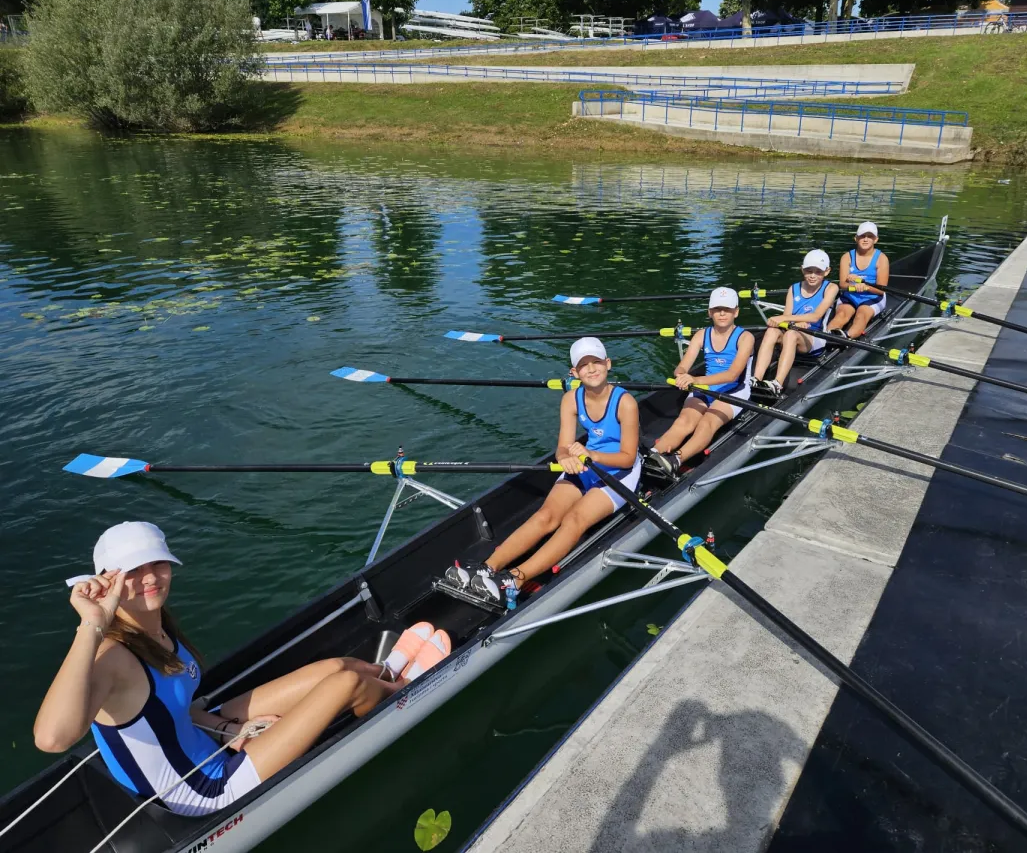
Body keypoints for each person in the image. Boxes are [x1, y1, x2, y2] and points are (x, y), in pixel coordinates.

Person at [34, 521, 448, 816]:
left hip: (203, 739)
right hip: (204, 791)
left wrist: (228, 730)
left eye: (157, 563)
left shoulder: (156, 627)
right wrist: (92, 623)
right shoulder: (110, 656)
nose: (150, 578)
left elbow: (173, 711)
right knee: (346, 685)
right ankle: (407, 692)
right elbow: (52, 738)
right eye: (133, 571)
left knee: (338, 666)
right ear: (106, 582)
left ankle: (388, 672)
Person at [445, 337, 641, 606]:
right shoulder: (571, 399)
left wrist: (591, 455)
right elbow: (562, 448)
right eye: (583, 365)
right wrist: (565, 459)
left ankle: (515, 579)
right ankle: (487, 567)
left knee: (574, 519)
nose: (591, 369)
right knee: (546, 516)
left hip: (619, 472)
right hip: (585, 463)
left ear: (608, 364)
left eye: (596, 362)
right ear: (574, 373)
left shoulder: (626, 402)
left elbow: (628, 458)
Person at [646, 287, 755, 478]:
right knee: (684, 422)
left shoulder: (745, 337)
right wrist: (681, 375)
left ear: (736, 312)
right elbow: (682, 366)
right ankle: (652, 456)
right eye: (717, 309)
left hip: (734, 390)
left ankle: (676, 460)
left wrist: (695, 380)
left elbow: (732, 375)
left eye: (727, 309)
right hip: (705, 388)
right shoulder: (701, 335)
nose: (722, 313)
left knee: (707, 423)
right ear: (710, 312)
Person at [749, 250, 839, 396]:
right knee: (771, 331)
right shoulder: (794, 288)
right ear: (802, 269)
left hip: (815, 337)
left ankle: (777, 384)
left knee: (791, 334)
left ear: (827, 271)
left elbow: (816, 317)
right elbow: (787, 317)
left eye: (818, 272)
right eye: (809, 271)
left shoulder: (831, 288)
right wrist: (793, 323)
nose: (812, 275)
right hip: (795, 330)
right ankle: (756, 379)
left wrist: (790, 321)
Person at [826, 221, 890, 339]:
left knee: (861, 315)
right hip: (851, 295)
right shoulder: (846, 257)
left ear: (876, 240)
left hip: (873, 297)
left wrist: (864, 286)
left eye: (870, 236)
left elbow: (881, 290)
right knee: (841, 314)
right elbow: (842, 285)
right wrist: (854, 287)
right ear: (856, 238)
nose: (865, 239)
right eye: (862, 236)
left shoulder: (882, 259)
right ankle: (827, 337)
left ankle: (847, 338)